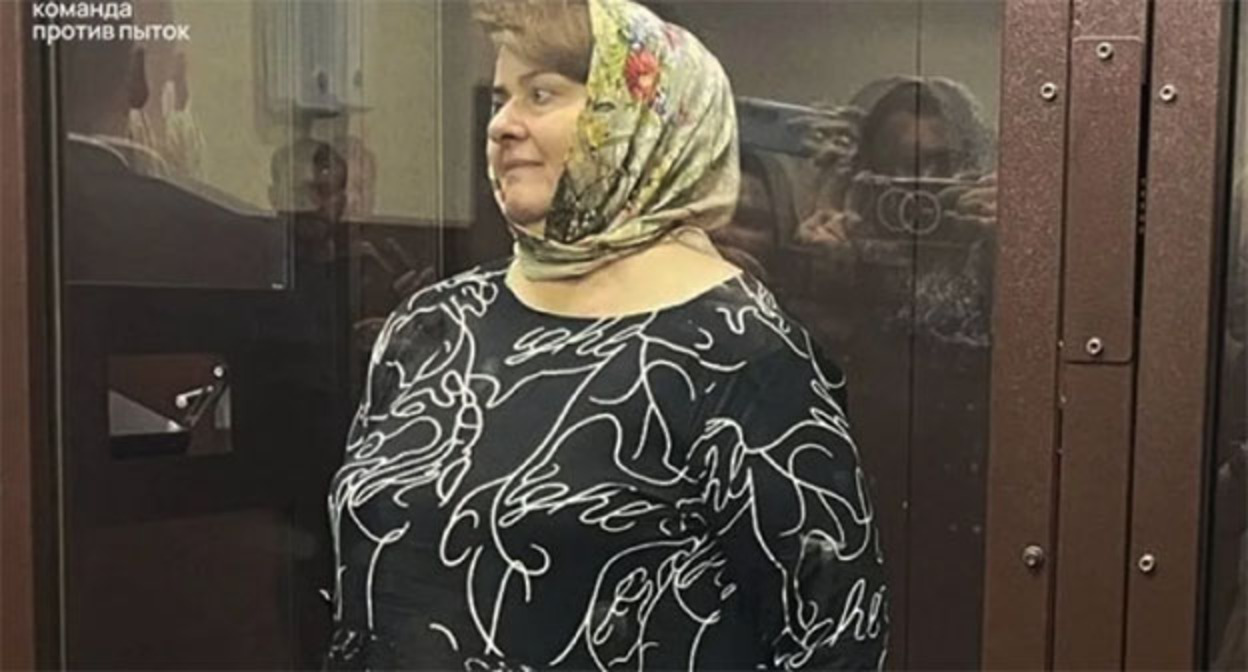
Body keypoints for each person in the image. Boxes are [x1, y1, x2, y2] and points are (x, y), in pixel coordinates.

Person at [326, 0, 888, 669]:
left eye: (541, 95)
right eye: (501, 100)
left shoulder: (745, 355)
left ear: (639, 117)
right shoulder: (434, 325)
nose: (502, 125)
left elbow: (835, 635)